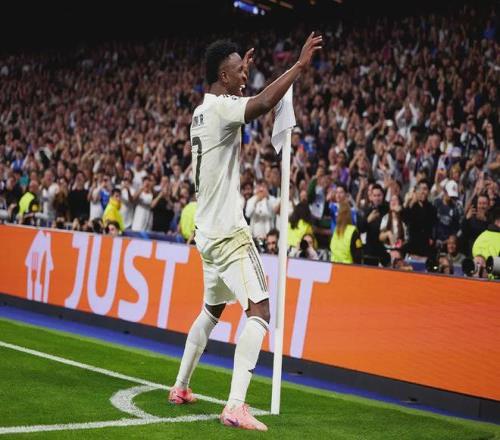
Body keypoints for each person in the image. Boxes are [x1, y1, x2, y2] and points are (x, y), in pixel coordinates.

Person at [169, 33, 322, 432]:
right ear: (223, 75)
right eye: (239, 71)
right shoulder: (222, 108)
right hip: (229, 234)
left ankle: (181, 386)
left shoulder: (201, 112)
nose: (245, 76)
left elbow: (246, 97)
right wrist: (298, 67)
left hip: (206, 233)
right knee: (260, 311)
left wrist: (242, 77)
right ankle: (235, 406)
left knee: (211, 310)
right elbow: (263, 103)